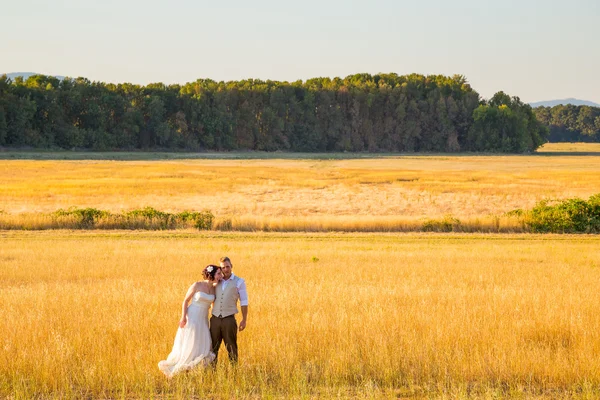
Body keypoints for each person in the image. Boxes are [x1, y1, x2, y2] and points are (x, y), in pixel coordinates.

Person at [158, 265, 223, 378]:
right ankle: (179, 369)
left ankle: (193, 372)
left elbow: (213, 305)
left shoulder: (214, 288)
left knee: (203, 344)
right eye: (218, 273)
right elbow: (185, 301)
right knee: (190, 343)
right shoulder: (197, 285)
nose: (220, 276)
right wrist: (183, 317)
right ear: (211, 274)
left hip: (203, 319)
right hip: (192, 317)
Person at [210, 256, 248, 364]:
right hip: (215, 320)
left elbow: (244, 301)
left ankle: (234, 373)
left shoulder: (239, 282)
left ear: (231, 266)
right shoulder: (216, 281)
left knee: (232, 348)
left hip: (229, 320)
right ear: (220, 269)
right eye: (223, 268)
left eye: (227, 267)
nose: (226, 269)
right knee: (213, 348)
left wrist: (244, 320)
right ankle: (212, 374)